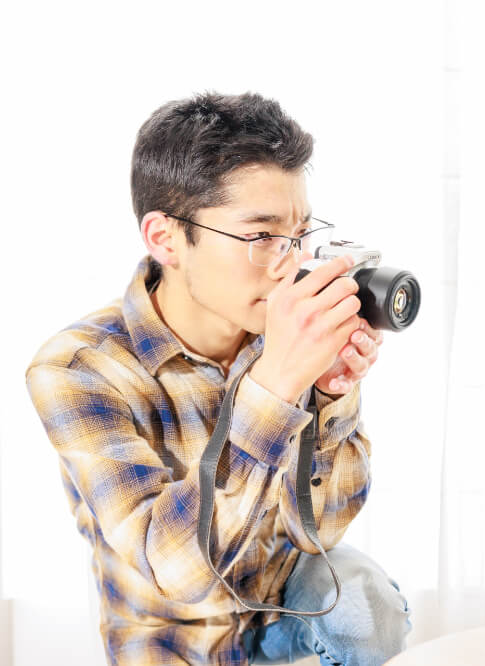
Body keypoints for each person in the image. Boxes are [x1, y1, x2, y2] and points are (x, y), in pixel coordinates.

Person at [24, 91, 412, 666]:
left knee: (363, 608)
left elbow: (322, 531)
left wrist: (329, 395)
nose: (289, 262)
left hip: (284, 608)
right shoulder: (79, 367)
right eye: (259, 237)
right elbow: (179, 574)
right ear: (165, 238)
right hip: (174, 637)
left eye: (298, 233)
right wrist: (274, 389)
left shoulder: (280, 332)